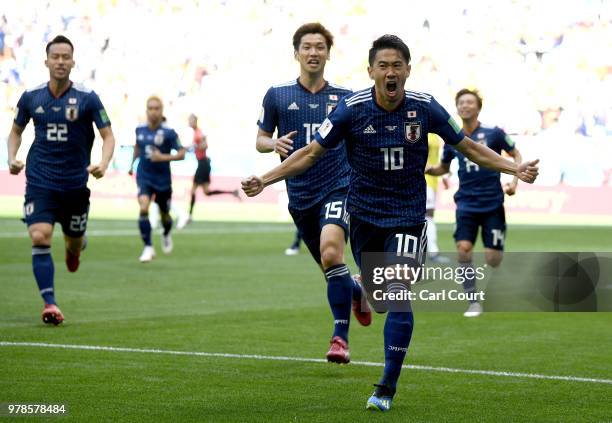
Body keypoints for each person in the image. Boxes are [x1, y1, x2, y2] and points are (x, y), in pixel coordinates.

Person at [242, 35, 539, 412]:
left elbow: (469, 146)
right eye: (383, 66)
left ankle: (386, 386)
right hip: (364, 216)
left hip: (408, 217)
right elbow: (312, 153)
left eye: (397, 65)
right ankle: (362, 290)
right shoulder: (350, 110)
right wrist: (265, 179)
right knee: (382, 300)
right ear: (371, 72)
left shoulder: (425, 107)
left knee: (397, 290)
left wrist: (516, 167)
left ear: (408, 70)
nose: (390, 72)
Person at [255, 22, 372, 364]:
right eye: (307, 47)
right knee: (330, 265)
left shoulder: (346, 98)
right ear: (296, 53)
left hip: (339, 186)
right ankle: (357, 291)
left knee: (333, 253)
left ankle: (340, 339)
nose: (313, 52)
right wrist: (271, 143)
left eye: (320, 47)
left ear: (328, 54)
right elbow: (260, 139)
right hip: (301, 196)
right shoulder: (277, 95)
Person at [7, 35, 116, 325]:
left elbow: (108, 135)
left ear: (73, 62)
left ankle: (74, 248)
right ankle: (50, 303)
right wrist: (12, 157)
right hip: (41, 180)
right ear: (46, 61)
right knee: (40, 236)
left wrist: (104, 163)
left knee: (74, 243)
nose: (60, 62)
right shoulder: (31, 97)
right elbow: (15, 131)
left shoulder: (88, 98)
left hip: (75, 184)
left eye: (65, 57)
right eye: (55, 57)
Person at [425, 88, 522, 317]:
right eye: (461, 103)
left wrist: (514, 182)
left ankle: (492, 282)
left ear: (478, 107)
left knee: (493, 258)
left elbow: (516, 155)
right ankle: (473, 301)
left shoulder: (495, 133)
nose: (465, 106)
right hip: (466, 204)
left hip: (493, 204)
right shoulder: (452, 139)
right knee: (464, 250)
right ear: (457, 107)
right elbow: (444, 168)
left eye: (470, 102)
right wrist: (430, 169)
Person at [128, 96, 185, 262]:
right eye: (150, 108)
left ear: (162, 111)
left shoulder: (169, 133)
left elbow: (182, 153)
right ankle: (148, 247)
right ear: (146, 111)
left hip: (163, 180)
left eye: (156, 108)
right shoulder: (139, 130)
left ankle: (166, 232)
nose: (153, 112)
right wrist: (132, 165)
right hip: (144, 175)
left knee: (165, 215)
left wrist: (163, 157)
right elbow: (137, 147)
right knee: (143, 207)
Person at [181, 113, 240, 228]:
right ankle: (232, 192)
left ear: (195, 121)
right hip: (203, 163)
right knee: (207, 192)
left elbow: (204, 145)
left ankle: (189, 216)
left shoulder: (198, 133)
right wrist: (191, 147)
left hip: (203, 164)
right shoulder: (196, 133)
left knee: (193, 191)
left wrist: (193, 147)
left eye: (190, 120)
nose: (189, 122)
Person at [425, 133, 451, 264]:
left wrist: (444, 177)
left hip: (431, 180)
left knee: (427, 216)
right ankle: (433, 252)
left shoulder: (433, 134)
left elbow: (438, 158)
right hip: (423, 180)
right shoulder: (426, 132)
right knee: (427, 216)